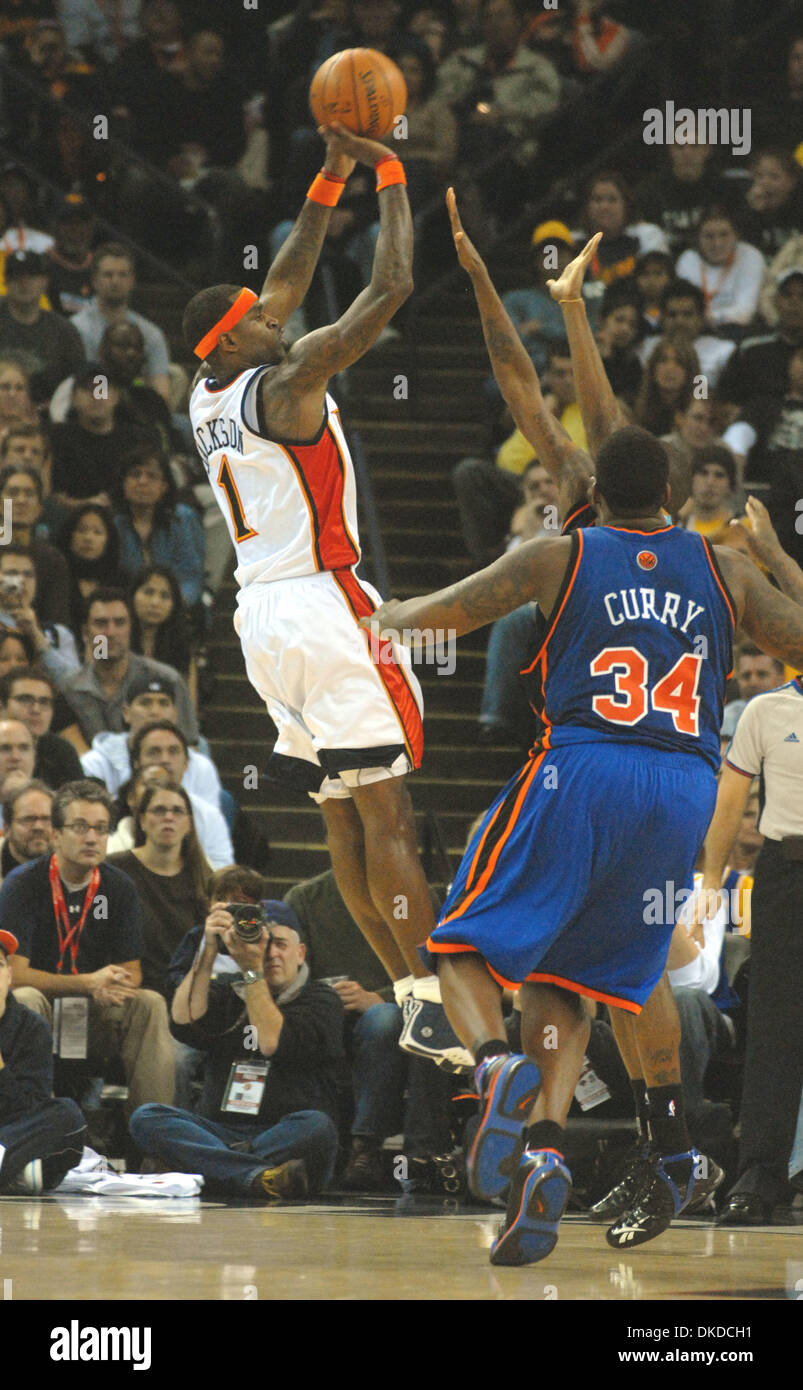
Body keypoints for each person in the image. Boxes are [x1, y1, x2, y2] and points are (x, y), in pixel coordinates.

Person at [364, 199, 803, 1266]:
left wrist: (374, 620)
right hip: (684, 786)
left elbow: (454, 609)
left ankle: (504, 1081)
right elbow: (601, 422)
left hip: (585, 769)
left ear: (583, 486)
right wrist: (779, 560)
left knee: (459, 942)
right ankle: (560, 1152)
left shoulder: (562, 548)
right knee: (587, 982)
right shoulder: (720, 565)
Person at [183, 123, 468, 1069]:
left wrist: (326, 176)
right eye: (260, 318)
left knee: (339, 812)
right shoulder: (293, 380)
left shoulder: (208, 391)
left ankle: (408, 990)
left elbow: (283, 286)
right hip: (322, 603)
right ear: (241, 341)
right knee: (387, 813)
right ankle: (431, 990)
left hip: (259, 618)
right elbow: (387, 289)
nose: (280, 316)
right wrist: (390, 177)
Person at [129, 901, 343, 1200]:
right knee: (146, 1117)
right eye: (263, 943)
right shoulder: (232, 990)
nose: (271, 953)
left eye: (279, 943)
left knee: (317, 1128)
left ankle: (207, 1165)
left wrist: (252, 971)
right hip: (220, 1130)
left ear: (301, 952)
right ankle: (254, 1176)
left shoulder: (322, 1000)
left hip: (284, 1135)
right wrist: (208, 950)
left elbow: (270, 1041)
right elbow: (182, 1020)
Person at [697, 652, 803, 1223]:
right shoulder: (766, 709)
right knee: (776, 1030)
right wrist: (712, 877)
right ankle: (758, 1176)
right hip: (789, 872)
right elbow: (731, 798)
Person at [3, 779, 175, 1117]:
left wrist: (109, 985)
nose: (92, 838)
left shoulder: (118, 887)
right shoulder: (23, 885)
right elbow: (15, 975)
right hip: (42, 1008)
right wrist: (86, 982)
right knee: (24, 999)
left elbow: (133, 970)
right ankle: (35, 1126)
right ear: (55, 834)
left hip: (94, 1009)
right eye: (80, 827)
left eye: (100, 828)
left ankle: (154, 1139)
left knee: (150, 1005)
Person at [0, 928, 87, 1195]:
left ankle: (10, 1169)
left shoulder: (30, 1027)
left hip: (11, 1133)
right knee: (46, 1164)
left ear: (9, 975)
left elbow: (28, 1110)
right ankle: (15, 1173)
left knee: (67, 1117)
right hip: (13, 1145)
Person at [57, 588, 199, 750]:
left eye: (119, 623)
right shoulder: (69, 687)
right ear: (85, 632)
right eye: (101, 624)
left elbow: (190, 747)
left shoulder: (165, 679)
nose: (110, 633)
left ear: (130, 628)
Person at [107, 781, 210, 997]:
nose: (169, 817)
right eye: (159, 810)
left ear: (189, 823)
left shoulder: (205, 878)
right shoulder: (113, 870)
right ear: (142, 820)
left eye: (178, 811)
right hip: (128, 991)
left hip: (187, 993)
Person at [80, 672, 221, 802]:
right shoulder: (95, 763)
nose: (155, 712)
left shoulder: (201, 766)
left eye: (163, 703)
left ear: (175, 713)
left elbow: (208, 823)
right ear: (126, 713)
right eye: (145, 703)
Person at [71, 244, 171, 401]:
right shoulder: (77, 328)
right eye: (108, 275)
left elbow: (161, 390)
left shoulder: (150, 333)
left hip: (139, 407)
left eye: (122, 275)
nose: (115, 281)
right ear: (94, 280)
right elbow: (87, 383)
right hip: (92, 405)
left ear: (132, 280)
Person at [112, 444, 205, 609]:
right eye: (135, 475)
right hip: (125, 609)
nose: (142, 481)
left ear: (164, 486)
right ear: (123, 483)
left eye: (152, 476)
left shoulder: (182, 518)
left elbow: (190, 576)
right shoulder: (112, 523)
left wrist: (171, 605)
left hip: (176, 607)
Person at [0, 250, 86, 401]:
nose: (23, 283)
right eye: (16, 277)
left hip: (47, 417)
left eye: (31, 277)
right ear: (6, 281)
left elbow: (81, 381)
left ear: (45, 282)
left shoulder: (64, 332)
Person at [675, 207, 765, 337]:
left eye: (724, 235)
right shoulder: (688, 259)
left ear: (736, 235)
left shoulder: (750, 255)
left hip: (738, 333)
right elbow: (685, 310)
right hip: (696, 334)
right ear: (697, 238)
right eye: (709, 236)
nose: (717, 244)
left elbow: (745, 313)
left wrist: (704, 319)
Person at [0, 463, 71, 626]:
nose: (21, 501)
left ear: (40, 508)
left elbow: (57, 623)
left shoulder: (52, 560)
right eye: (13, 493)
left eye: (29, 494)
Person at [0, 544, 80, 681]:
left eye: (28, 575)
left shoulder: (58, 634)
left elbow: (75, 687)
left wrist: (36, 635)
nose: (22, 581)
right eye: (12, 573)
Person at [0, 668, 82, 788]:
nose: (36, 709)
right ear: (1, 706)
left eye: (44, 702)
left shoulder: (61, 751)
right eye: (25, 700)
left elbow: (77, 801)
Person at [60, 503, 124, 640]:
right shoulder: (57, 575)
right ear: (69, 535)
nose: (88, 538)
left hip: (107, 651)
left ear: (108, 539)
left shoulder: (122, 579)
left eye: (97, 532)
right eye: (82, 530)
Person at [128, 567, 195, 690]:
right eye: (148, 592)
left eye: (164, 596)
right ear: (133, 596)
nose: (155, 602)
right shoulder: (106, 637)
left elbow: (188, 703)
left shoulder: (181, 647)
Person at [43, 193, 96, 318]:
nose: (76, 230)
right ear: (55, 227)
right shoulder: (42, 265)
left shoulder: (101, 266)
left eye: (81, 223)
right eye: (68, 223)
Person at [0, 778, 54, 882]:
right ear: (7, 828)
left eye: (46, 819)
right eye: (28, 819)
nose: (39, 827)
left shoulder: (73, 862)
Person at [679, 449, 737, 538]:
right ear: (691, 480)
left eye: (719, 475)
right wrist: (676, 517)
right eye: (703, 473)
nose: (710, 482)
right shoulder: (675, 524)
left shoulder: (743, 527)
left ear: (730, 485)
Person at [0, 716, 35, 800]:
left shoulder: (54, 807)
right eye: (5, 748)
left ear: (34, 757)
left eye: (24, 748)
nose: (15, 757)